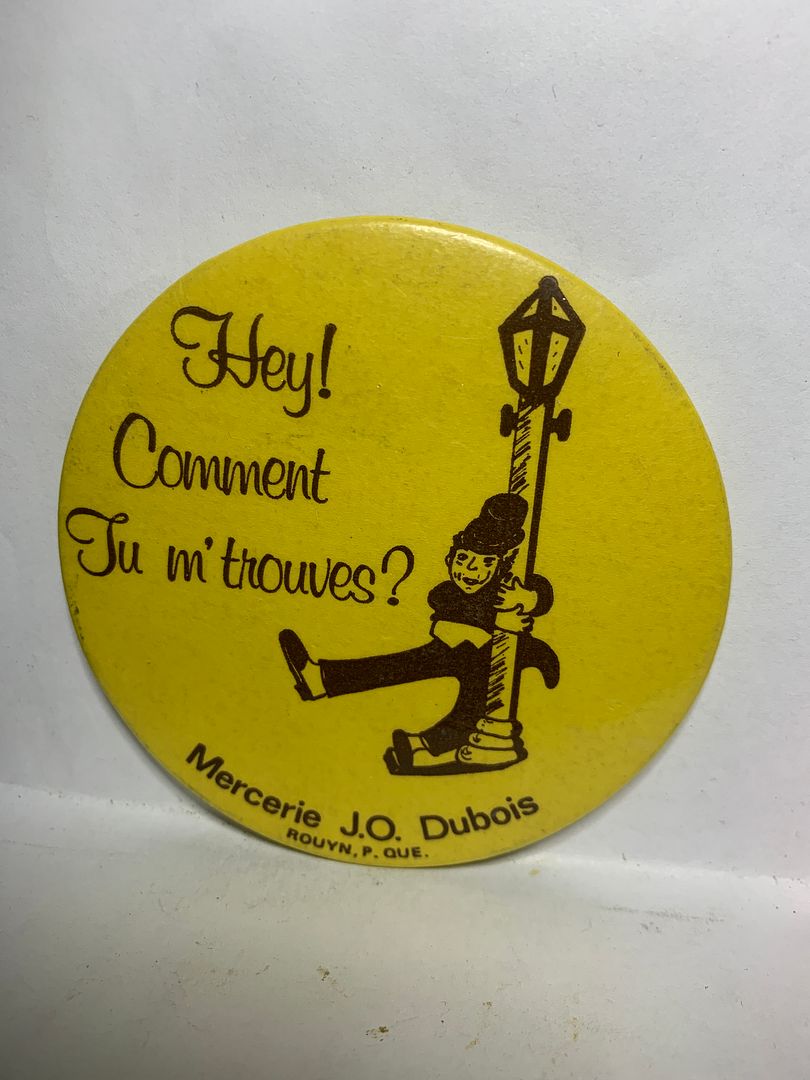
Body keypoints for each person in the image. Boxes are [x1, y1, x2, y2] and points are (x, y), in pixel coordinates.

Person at [279, 493, 559, 774]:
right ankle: (322, 679)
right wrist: (496, 622)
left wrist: (527, 599)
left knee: (472, 704)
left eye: (486, 562)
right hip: (458, 651)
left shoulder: (511, 586)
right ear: (450, 557)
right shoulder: (448, 593)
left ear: (501, 565)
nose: (470, 570)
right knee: (399, 665)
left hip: (488, 664)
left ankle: (423, 745)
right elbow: (448, 620)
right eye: (462, 558)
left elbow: (542, 592)